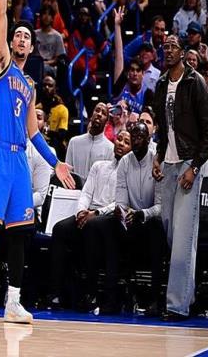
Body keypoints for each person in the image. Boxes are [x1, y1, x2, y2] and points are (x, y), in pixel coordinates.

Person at [0, 0, 74, 325]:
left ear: (32, 49)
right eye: (17, 34)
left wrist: (55, 162)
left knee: (20, 234)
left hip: (20, 160)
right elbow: (1, 14)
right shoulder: (0, 64)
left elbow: (34, 132)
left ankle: (13, 302)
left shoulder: (30, 86)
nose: (19, 38)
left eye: (26, 37)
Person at [152, 34, 208, 320]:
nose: (167, 51)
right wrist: (158, 156)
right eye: (164, 47)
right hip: (168, 164)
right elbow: (163, 128)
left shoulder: (195, 82)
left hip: (190, 164)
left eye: (172, 47)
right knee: (171, 232)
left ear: (182, 52)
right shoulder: (161, 84)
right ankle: (189, 297)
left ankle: (176, 305)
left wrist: (195, 167)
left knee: (182, 239)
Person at [49, 130, 131, 310]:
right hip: (88, 213)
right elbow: (86, 193)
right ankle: (56, 292)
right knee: (60, 229)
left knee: (93, 226)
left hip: (109, 218)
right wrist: (81, 211)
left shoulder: (128, 173)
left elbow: (120, 202)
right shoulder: (98, 166)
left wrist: (96, 213)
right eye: (119, 139)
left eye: (126, 142)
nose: (121, 143)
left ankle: (90, 292)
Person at [94, 122, 166, 315]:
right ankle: (111, 297)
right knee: (109, 224)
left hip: (149, 220)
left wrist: (142, 214)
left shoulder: (157, 162)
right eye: (133, 137)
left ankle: (154, 299)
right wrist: (121, 211)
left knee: (156, 226)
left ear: (149, 140)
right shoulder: (125, 162)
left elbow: (161, 206)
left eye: (140, 137)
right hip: (130, 221)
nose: (136, 141)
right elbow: (121, 199)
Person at [66, 102, 114, 181]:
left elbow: (107, 179)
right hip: (74, 188)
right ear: (91, 116)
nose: (99, 114)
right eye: (97, 110)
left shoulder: (111, 149)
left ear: (106, 123)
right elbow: (68, 173)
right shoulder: (74, 142)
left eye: (104, 113)